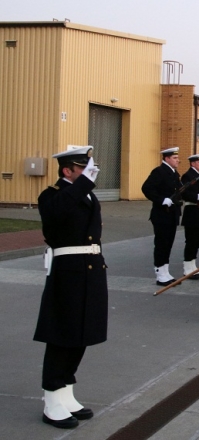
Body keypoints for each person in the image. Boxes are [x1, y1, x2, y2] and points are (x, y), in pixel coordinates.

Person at [35, 146, 106, 429]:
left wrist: (86, 186)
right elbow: (58, 213)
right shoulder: (51, 195)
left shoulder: (86, 194)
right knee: (62, 334)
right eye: (84, 168)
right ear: (68, 171)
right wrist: (84, 185)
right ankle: (52, 398)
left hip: (91, 269)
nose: (90, 173)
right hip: (68, 273)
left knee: (83, 333)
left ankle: (66, 391)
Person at [141, 147, 182, 286]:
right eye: (175, 158)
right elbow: (146, 188)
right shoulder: (159, 172)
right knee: (161, 244)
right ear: (167, 158)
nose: (178, 160)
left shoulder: (174, 173)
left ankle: (166, 272)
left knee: (168, 244)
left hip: (172, 214)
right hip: (161, 215)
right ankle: (160, 273)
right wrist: (161, 199)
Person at [180, 154, 199, 279]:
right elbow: (184, 193)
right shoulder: (188, 176)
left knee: (197, 241)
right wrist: (196, 197)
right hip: (192, 211)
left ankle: (193, 267)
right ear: (192, 163)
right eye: (198, 162)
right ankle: (187, 268)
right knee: (191, 241)